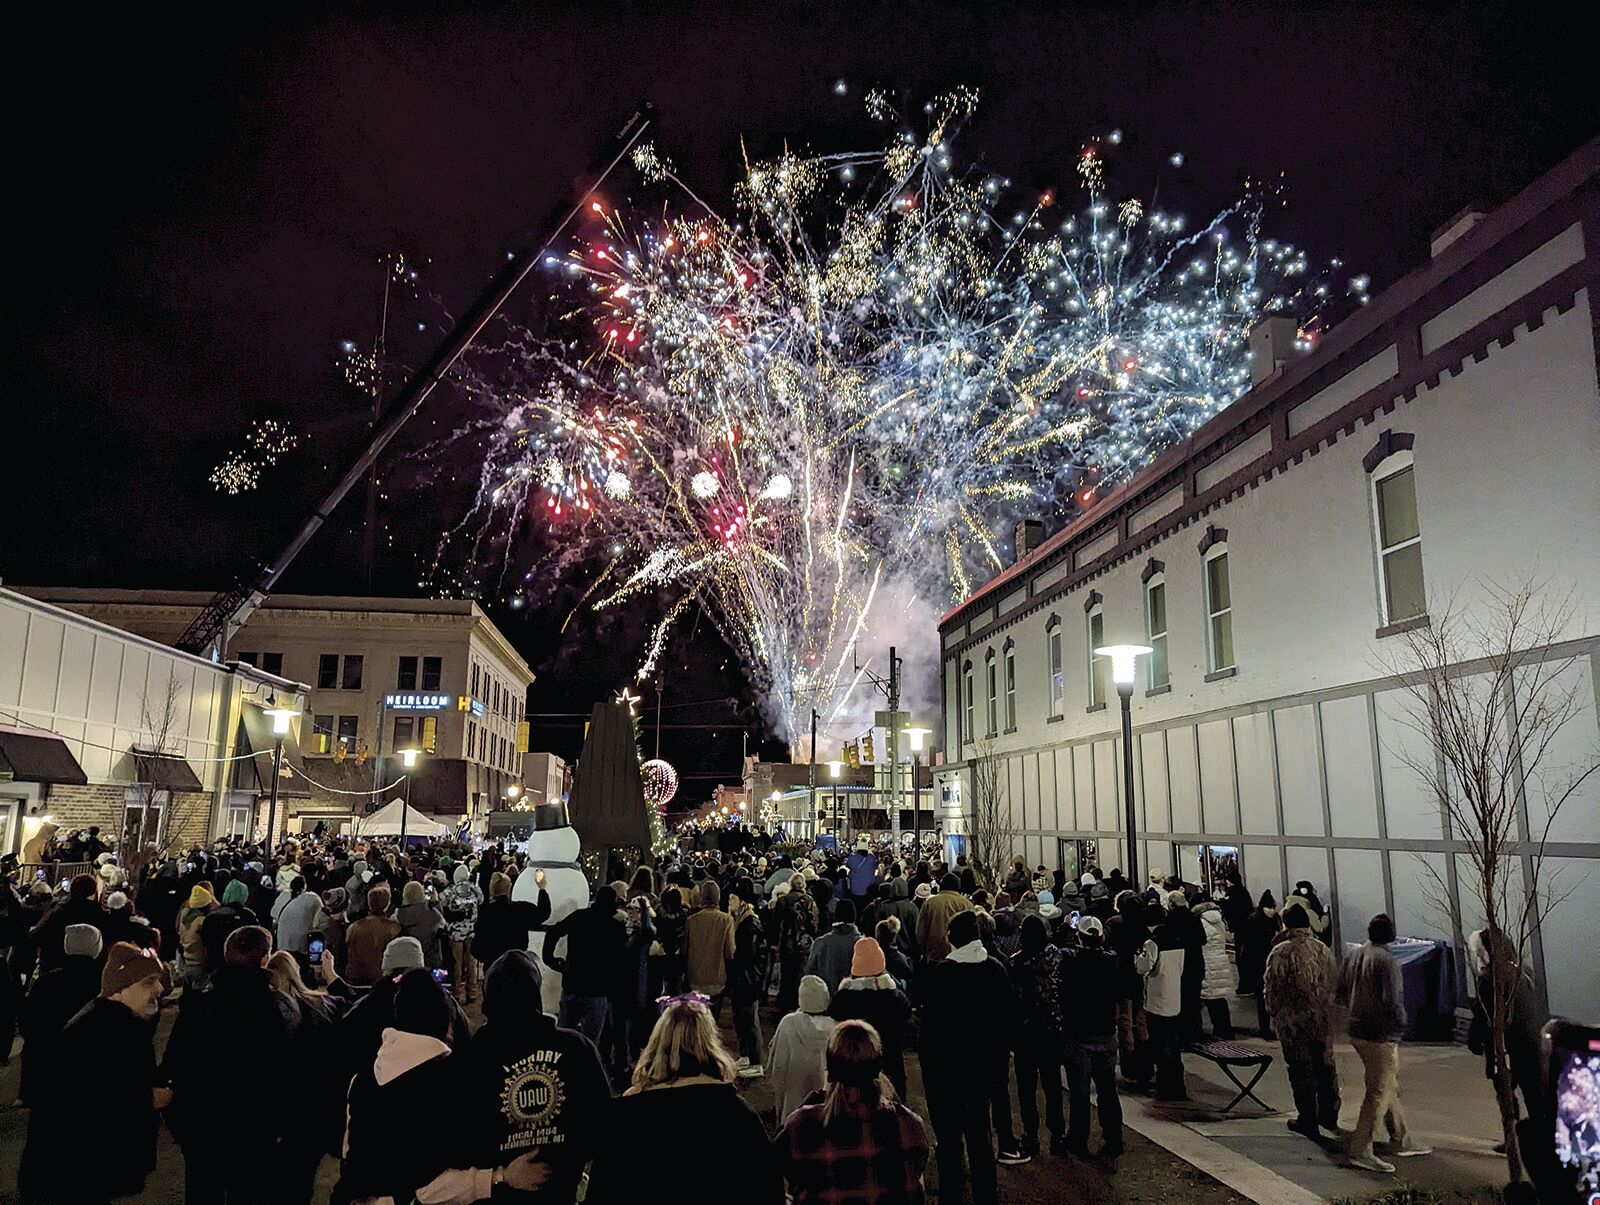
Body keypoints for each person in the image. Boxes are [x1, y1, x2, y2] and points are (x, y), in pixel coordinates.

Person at [587, 997, 783, 1203]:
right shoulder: (740, 1116)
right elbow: (769, 1191)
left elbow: (601, 1193)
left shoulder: (625, 1118)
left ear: (657, 1043)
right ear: (711, 1045)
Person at [18, 942, 168, 1203]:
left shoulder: (111, 1024)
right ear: (120, 989)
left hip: (75, 1173)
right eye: (148, 982)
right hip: (74, 1174)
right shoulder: (108, 1034)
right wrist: (149, 1098)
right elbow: (90, 1103)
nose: (160, 989)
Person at [457, 950, 612, 1201]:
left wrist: (499, 1172)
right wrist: (564, 1158)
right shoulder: (576, 1048)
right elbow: (602, 1127)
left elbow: (459, 1142)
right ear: (535, 995)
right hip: (560, 1193)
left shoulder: (471, 1057)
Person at [164, 925, 293, 1203]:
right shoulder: (273, 1009)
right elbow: (282, 1072)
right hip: (254, 1128)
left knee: (201, 1191)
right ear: (264, 959)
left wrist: (181, 1120)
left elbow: (174, 1063)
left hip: (202, 1126)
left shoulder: (199, 1004)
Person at [336, 969, 474, 1204]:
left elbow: (350, 1157)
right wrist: (496, 1178)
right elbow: (440, 1178)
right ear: (446, 1021)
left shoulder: (364, 1080)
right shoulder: (454, 1080)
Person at [917, 910, 1021, 1205]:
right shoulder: (996, 969)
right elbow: (1008, 1020)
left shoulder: (941, 974)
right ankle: (985, 1194)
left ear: (952, 938)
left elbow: (930, 1033)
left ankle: (953, 1194)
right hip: (983, 1070)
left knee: (949, 1140)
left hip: (946, 1072)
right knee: (980, 1135)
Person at [779, 1019, 932, 1204]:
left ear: (830, 1070)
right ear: (877, 1068)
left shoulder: (800, 1125)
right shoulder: (909, 1124)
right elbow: (916, 1191)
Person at [1338, 913, 1430, 1172]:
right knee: (1378, 1091)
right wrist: (1400, 1028)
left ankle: (1400, 1137)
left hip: (1357, 1029)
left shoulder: (1354, 954)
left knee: (1388, 1083)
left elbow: (1340, 991)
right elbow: (1393, 1001)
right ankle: (1361, 1149)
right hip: (1379, 1034)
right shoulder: (1387, 961)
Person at [1263, 904, 1342, 1143]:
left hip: (1293, 1022)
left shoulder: (1281, 952)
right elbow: (1334, 982)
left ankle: (1308, 1118)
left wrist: (1274, 1014)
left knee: (1300, 1070)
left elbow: (1272, 989)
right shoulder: (1323, 949)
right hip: (1322, 1019)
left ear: (1286, 923)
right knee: (1325, 1067)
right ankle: (1329, 1115)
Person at [17, 923, 103, 1107]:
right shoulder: (103, 983)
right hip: (91, 1072)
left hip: (48, 1071)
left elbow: (27, 1023)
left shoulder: (45, 983)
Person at [1060, 915, 1125, 1159]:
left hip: (1078, 1033)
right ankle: (1114, 1138)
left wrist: (1066, 927)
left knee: (1079, 1091)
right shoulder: (1111, 961)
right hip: (1106, 1032)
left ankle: (1078, 1138)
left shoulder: (1072, 961)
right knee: (1108, 1089)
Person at [542, 884, 628, 1049]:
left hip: (572, 984)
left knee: (561, 1038)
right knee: (589, 1044)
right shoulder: (615, 928)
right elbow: (620, 962)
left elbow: (553, 931)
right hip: (597, 990)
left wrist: (551, 960)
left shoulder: (579, 917)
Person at [830, 937, 914, 1099]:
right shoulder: (894, 997)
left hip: (851, 1069)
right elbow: (905, 1018)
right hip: (889, 1064)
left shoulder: (844, 998)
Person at [1010, 913, 1065, 1156]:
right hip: (1051, 1028)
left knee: (1027, 1087)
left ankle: (1030, 1135)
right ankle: (1058, 1134)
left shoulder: (1019, 964)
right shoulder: (1057, 956)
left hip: (1026, 1030)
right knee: (1052, 1084)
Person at [1135, 898, 1189, 1100]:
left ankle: (1164, 1087)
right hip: (1175, 996)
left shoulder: (1153, 942)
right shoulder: (1178, 938)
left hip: (1157, 999)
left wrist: (1137, 958)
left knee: (1159, 1045)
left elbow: (1144, 967)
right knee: (1173, 1045)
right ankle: (1178, 1085)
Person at [770, 973, 834, 1121]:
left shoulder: (788, 1023)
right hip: (824, 1106)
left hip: (793, 1101)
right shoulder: (834, 1028)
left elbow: (779, 1066)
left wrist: (779, 1098)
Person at [472, 869, 551, 978]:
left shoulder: (485, 914)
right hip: (517, 966)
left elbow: (477, 948)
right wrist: (542, 888)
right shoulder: (520, 910)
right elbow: (544, 913)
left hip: (492, 968)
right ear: (509, 888)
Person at [725, 878, 767, 1078]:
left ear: (742, 900)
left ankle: (756, 1061)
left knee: (750, 1020)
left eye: (732, 898)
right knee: (739, 1018)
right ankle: (745, 1055)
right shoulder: (736, 920)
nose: (729, 901)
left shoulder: (750, 922)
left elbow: (748, 955)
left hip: (748, 979)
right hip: (739, 978)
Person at [773, 871, 821, 1012]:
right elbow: (814, 925)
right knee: (801, 975)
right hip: (804, 945)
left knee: (786, 975)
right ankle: (800, 1004)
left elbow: (775, 924)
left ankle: (785, 1006)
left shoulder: (782, 901)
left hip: (786, 944)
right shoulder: (810, 901)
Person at [1237, 890, 1281, 1038]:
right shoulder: (1255, 921)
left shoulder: (1272, 920)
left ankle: (1269, 1028)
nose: (1272, 910)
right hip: (1258, 964)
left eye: (1274, 907)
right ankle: (1265, 1029)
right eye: (1270, 907)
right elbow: (1249, 946)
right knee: (1262, 998)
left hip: (1269, 963)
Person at [682, 878, 735, 997]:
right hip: (717, 979)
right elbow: (730, 952)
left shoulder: (691, 920)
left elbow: (684, 950)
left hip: (694, 979)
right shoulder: (727, 920)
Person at [1194, 895, 1236, 1039]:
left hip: (1207, 960)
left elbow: (1201, 941)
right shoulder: (1219, 920)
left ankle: (1217, 1031)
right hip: (1220, 959)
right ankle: (1225, 1029)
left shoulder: (1200, 921)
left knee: (1209, 997)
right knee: (1219, 998)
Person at [440, 863, 483, 1003]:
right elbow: (481, 900)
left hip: (455, 933)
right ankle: (472, 992)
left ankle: (457, 992)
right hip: (471, 932)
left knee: (456, 963)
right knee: (471, 962)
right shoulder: (475, 889)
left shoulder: (451, 891)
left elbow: (439, 902)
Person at [344, 882, 402, 986]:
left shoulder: (354, 927)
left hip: (355, 979)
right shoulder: (395, 928)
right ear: (387, 903)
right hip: (381, 980)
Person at [804, 897, 862, 994]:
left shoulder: (821, 942)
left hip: (826, 999)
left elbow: (810, 972)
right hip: (854, 1001)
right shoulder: (862, 943)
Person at [914, 873, 973, 964]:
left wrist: (926, 950)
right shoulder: (966, 904)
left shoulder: (930, 903)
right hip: (960, 956)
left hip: (935, 954)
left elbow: (920, 931)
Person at [397, 879, 448, 969]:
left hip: (406, 961)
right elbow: (443, 927)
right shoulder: (434, 914)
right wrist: (435, 903)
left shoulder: (398, 915)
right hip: (430, 962)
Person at [276, 874, 322, 969]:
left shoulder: (283, 895)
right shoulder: (312, 898)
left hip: (282, 941)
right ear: (305, 886)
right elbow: (319, 920)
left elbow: (274, 915)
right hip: (301, 943)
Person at [1283, 881, 1333, 946]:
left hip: (1289, 943)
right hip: (1307, 944)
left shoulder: (1285, 911)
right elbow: (1319, 928)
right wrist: (1325, 914)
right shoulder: (1308, 912)